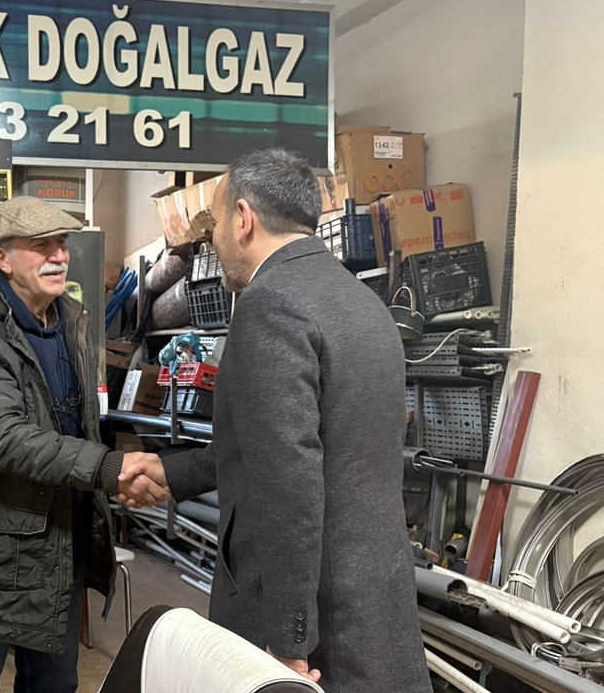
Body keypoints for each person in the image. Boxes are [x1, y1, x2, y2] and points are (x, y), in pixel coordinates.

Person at [120, 149, 432, 693]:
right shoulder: (363, 302)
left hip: (314, 617)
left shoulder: (270, 305)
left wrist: (289, 639)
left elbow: (291, 478)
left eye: (216, 225)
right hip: (373, 593)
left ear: (243, 219)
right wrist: (173, 472)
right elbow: (306, 445)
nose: (214, 240)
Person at [0, 196, 168, 693]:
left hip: (59, 546)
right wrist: (109, 468)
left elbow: (75, 425)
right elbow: (3, 438)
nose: (59, 256)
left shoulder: (70, 321)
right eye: (41, 246)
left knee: (55, 687)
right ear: (2, 258)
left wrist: (115, 476)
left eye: (61, 243)